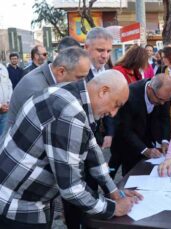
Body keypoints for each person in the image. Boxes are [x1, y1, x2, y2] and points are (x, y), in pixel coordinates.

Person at [0, 70, 142, 228]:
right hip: (18, 207)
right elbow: (72, 189)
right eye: (116, 105)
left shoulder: (70, 93)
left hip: (17, 197)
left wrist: (114, 191)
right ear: (103, 91)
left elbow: (93, 151)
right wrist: (113, 208)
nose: (113, 114)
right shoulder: (70, 114)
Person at [4, 47, 90, 134]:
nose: (82, 83)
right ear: (61, 72)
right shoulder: (35, 88)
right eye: (79, 77)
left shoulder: (50, 78)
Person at [110, 74, 171, 177]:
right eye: (160, 99)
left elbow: (165, 118)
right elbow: (126, 130)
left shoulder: (163, 95)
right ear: (149, 89)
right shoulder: (130, 95)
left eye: (166, 100)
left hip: (147, 137)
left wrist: (165, 140)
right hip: (125, 142)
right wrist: (144, 150)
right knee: (123, 172)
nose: (162, 103)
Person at [0, 63, 12, 136]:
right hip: (2, 107)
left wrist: (8, 102)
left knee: (3, 135)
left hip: (5, 110)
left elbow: (9, 85)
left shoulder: (3, 68)